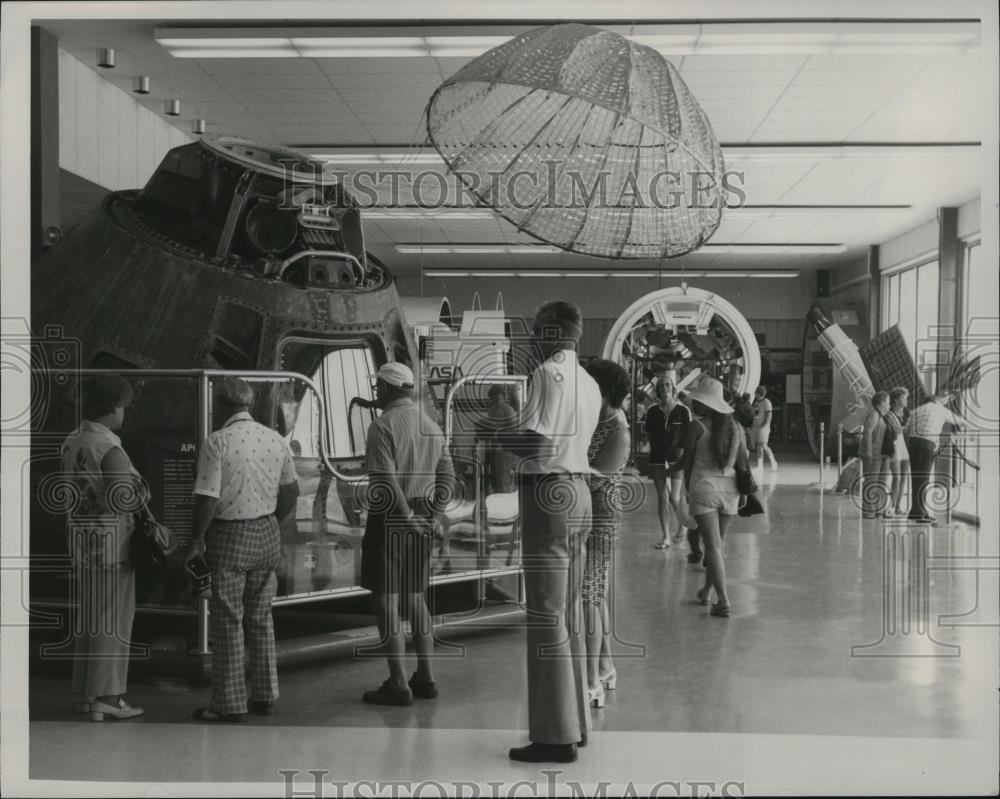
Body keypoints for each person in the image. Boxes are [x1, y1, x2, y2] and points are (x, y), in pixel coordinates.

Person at [495, 300, 601, 764]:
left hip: (548, 491)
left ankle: (554, 736)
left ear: (555, 331)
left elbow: (537, 443)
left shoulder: (546, 375)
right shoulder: (590, 382)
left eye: (537, 330)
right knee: (568, 615)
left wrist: (499, 427)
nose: (532, 339)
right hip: (580, 492)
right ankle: (574, 724)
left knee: (544, 614)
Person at [187, 377, 300, 722]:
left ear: (220, 405)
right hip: (266, 533)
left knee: (228, 620)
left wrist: (195, 542)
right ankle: (264, 694)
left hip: (229, 538)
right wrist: (270, 519)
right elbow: (292, 491)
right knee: (260, 617)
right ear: (248, 404)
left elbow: (208, 497)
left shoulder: (217, 442)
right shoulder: (275, 439)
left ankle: (229, 703)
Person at [359, 362, 454, 706]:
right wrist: (435, 514)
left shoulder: (382, 426)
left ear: (385, 389)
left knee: (386, 601)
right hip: (423, 515)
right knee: (415, 599)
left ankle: (398, 684)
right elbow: (447, 475)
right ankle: (426, 678)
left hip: (390, 517)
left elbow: (386, 479)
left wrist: (406, 515)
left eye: (377, 388)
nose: (375, 394)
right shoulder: (431, 425)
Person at [60, 375, 146, 721]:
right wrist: (143, 490)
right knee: (114, 621)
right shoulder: (108, 448)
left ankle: (85, 693)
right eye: (123, 406)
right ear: (113, 409)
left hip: (81, 541)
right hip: (113, 547)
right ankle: (109, 697)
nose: (124, 412)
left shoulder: (72, 440)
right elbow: (122, 500)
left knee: (90, 619)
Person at [580, 359, 630, 710]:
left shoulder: (618, 430)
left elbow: (595, 478)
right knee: (597, 594)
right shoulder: (596, 420)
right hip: (587, 514)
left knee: (589, 596)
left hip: (601, 520)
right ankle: (606, 666)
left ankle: (591, 681)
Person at [670, 377, 742, 618]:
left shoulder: (696, 427)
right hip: (731, 490)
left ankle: (723, 601)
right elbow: (743, 463)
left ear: (705, 405)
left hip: (705, 490)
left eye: (697, 401)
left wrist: (663, 469)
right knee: (717, 547)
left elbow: (685, 460)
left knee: (712, 547)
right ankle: (707, 592)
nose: (693, 404)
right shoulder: (735, 427)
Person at [905, 394, 964, 523]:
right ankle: (919, 513)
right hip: (926, 443)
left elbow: (906, 429)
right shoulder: (939, 409)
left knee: (916, 478)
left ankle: (916, 511)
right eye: (942, 400)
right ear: (936, 400)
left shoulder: (915, 411)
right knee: (924, 478)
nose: (944, 402)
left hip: (913, 443)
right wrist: (967, 427)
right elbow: (958, 420)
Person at [644, 380, 671, 549]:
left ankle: (683, 527)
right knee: (662, 496)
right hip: (658, 458)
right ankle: (666, 535)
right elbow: (649, 434)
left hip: (675, 460)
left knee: (676, 498)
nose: (665, 388)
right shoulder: (653, 411)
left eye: (667, 385)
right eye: (661, 386)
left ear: (673, 388)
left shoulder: (681, 409)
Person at [860, 391, 890, 519]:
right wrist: (868, 451)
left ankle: (879, 509)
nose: (889, 405)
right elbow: (867, 432)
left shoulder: (882, 416)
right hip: (873, 453)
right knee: (871, 481)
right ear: (881, 402)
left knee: (881, 482)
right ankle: (868, 510)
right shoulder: (874, 414)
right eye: (888, 402)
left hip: (881, 453)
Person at [884, 387, 911, 517]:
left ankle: (898, 506)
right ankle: (892, 505)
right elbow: (893, 430)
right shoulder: (888, 415)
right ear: (895, 400)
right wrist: (906, 428)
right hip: (894, 447)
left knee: (903, 478)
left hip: (905, 447)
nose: (906, 400)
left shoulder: (907, 414)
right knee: (897, 477)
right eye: (903, 397)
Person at [750, 386, 778, 471]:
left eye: (755, 392)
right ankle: (760, 466)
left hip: (763, 428)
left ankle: (773, 462)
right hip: (756, 427)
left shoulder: (767, 402)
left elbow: (769, 416)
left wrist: (764, 427)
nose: (754, 394)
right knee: (758, 446)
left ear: (758, 393)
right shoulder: (756, 402)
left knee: (763, 445)